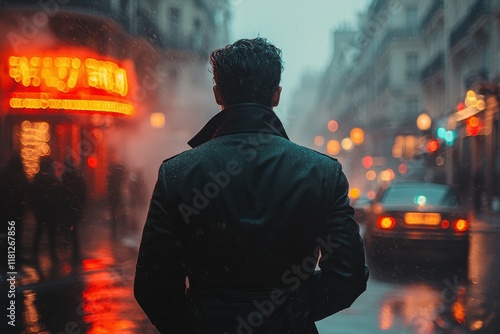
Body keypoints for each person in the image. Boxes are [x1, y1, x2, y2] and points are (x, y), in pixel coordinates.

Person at [134, 37, 368, 333]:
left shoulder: (177, 172)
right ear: (276, 95)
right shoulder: (321, 172)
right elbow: (348, 276)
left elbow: (152, 285)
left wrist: (198, 322)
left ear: (218, 94)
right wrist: (291, 309)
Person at [0, 152, 29, 263]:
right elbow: (26, 190)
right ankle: (14, 255)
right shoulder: (20, 175)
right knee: (15, 233)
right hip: (17, 210)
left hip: (8, 210)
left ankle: (7, 254)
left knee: (8, 233)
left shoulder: (6, 174)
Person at [32, 156, 62, 262]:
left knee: (40, 232)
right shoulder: (52, 177)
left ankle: (35, 254)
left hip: (42, 210)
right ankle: (53, 255)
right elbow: (58, 193)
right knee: (51, 234)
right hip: (50, 210)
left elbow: (33, 194)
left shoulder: (39, 177)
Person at [61, 158, 87, 262]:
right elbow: (83, 193)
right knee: (74, 230)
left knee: (68, 230)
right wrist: (80, 205)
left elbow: (61, 193)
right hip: (74, 208)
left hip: (67, 208)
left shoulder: (64, 177)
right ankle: (75, 253)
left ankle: (68, 250)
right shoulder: (77, 177)